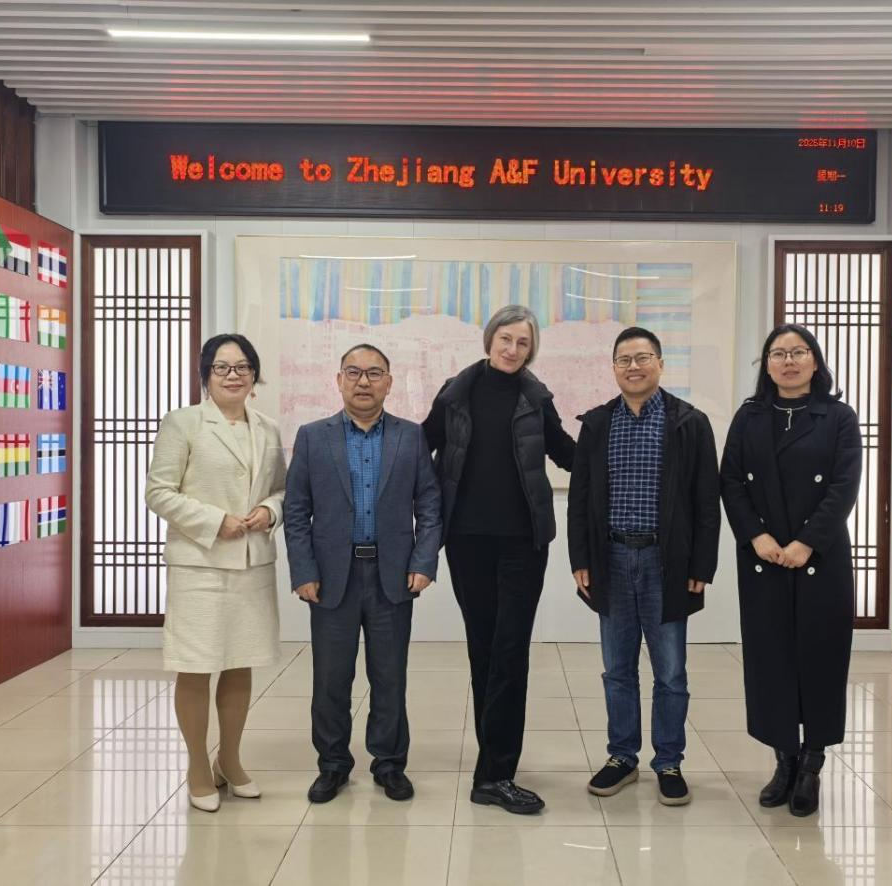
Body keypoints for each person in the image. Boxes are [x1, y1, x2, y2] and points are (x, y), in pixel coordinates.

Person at [422, 304, 576, 815]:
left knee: (511, 653)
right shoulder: (455, 393)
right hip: (466, 541)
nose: (513, 349)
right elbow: (420, 446)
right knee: (483, 651)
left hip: (523, 543)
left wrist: (612, 453)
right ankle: (492, 771)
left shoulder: (536, 398)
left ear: (531, 349)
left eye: (523, 342)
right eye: (506, 339)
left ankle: (496, 773)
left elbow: (565, 452)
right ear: (489, 340)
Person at [567, 327, 721, 806]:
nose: (633, 367)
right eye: (624, 360)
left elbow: (706, 502)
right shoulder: (597, 423)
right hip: (611, 558)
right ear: (614, 368)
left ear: (660, 363)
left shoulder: (689, 423)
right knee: (617, 668)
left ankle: (669, 761)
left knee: (670, 671)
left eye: (642, 358)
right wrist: (580, 559)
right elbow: (580, 499)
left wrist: (702, 565)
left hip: (666, 562)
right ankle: (622, 756)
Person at [284, 344, 442, 804]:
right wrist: (303, 570)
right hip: (332, 577)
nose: (363, 381)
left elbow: (430, 505)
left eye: (374, 373)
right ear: (339, 380)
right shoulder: (313, 437)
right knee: (331, 679)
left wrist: (423, 561)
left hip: (392, 576)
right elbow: (296, 511)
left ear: (389, 383)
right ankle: (333, 764)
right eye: (353, 372)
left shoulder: (411, 437)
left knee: (389, 677)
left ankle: (389, 763)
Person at [719, 323, 862, 817]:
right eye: (778, 354)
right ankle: (784, 760)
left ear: (815, 361)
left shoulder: (838, 417)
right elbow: (731, 481)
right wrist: (756, 536)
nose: (789, 361)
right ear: (767, 365)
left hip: (821, 556)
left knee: (820, 658)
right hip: (764, 558)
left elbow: (844, 485)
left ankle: (812, 764)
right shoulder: (749, 416)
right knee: (771, 659)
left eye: (798, 352)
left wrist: (806, 542)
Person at [144, 333, 287, 813]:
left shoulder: (267, 428)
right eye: (222, 367)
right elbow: (158, 491)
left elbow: (282, 489)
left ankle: (230, 758)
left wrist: (269, 511)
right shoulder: (183, 422)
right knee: (196, 664)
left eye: (243, 367)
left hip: (251, 563)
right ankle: (197, 766)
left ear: (254, 375)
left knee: (240, 661)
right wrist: (214, 520)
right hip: (200, 564)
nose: (233, 375)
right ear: (206, 374)